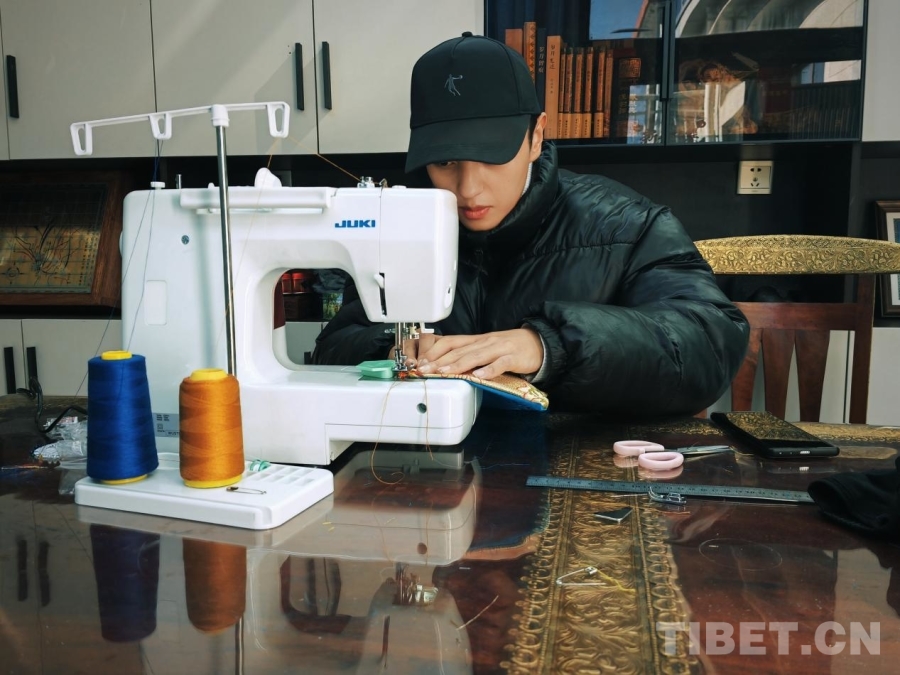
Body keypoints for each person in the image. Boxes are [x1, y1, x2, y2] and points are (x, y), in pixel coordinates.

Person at [313, 32, 749, 416]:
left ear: (536, 136)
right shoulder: (401, 226)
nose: (468, 189)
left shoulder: (629, 226)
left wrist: (549, 346)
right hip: (438, 468)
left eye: (492, 157)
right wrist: (391, 348)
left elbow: (710, 344)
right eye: (444, 162)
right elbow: (333, 344)